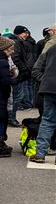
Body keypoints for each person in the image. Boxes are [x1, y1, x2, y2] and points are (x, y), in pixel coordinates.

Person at [29, 27, 56, 163]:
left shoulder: (51, 49)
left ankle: (40, 154)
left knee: (47, 121)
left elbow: (37, 68)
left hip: (49, 88)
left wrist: (44, 79)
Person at [8, 25, 37, 125]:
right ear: (19, 33)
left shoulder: (19, 42)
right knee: (17, 97)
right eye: (24, 33)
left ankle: (11, 117)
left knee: (17, 97)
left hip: (20, 73)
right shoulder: (17, 43)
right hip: (19, 74)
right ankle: (11, 118)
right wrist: (24, 69)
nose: (26, 35)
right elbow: (16, 58)